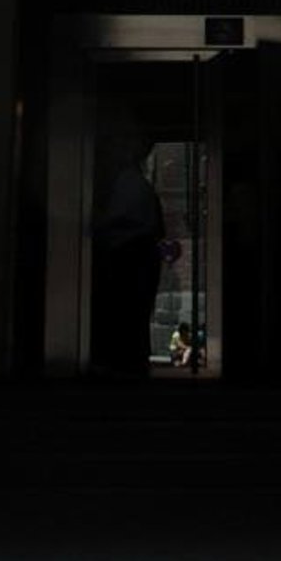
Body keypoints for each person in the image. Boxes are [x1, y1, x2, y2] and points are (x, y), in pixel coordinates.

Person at [89, 130, 167, 379]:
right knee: (134, 314)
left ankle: (124, 362)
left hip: (128, 256)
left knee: (126, 313)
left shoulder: (128, 183)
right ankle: (132, 361)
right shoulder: (138, 185)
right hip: (137, 256)